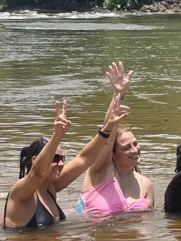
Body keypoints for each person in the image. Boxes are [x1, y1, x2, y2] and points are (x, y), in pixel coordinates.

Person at [4, 94, 129, 229]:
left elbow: (84, 159)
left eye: (62, 159)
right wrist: (57, 136)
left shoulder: (49, 187)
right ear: (34, 160)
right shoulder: (22, 192)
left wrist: (107, 129)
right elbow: (37, 173)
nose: (61, 164)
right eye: (55, 159)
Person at [79, 63, 154, 215]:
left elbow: (148, 225)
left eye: (135, 144)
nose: (135, 150)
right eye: (126, 147)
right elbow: (106, 133)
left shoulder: (146, 184)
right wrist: (120, 95)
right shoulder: (100, 171)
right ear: (112, 153)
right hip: (97, 237)